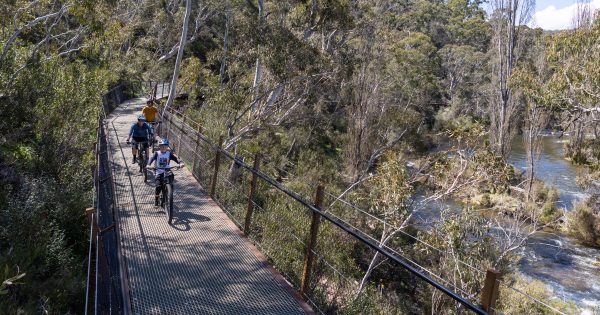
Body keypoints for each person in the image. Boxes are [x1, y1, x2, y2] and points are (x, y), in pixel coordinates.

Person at [148, 139, 184, 207]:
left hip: (167, 170)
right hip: (159, 171)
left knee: (171, 176)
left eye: (165, 146)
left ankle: (169, 189)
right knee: (158, 186)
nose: (163, 147)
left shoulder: (169, 154)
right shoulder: (157, 153)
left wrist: (180, 163)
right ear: (159, 146)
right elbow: (152, 158)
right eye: (161, 146)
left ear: (167, 147)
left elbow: (176, 159)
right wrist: (148, 164)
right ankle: (156, 199)